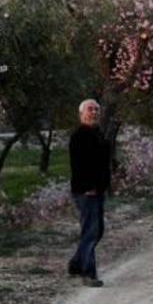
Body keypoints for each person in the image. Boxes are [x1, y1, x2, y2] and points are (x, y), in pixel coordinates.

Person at [67, 99, 111, 287]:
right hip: (87, 191)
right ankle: (88, 273)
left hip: (98, 190)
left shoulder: (98, 134)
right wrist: (89, 187)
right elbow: (79, 166)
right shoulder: (79, 137)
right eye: (89, 110)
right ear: (81, 114)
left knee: (96, 230)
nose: (93, 113)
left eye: (96, 109)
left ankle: (76, 263)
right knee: (91, 232)